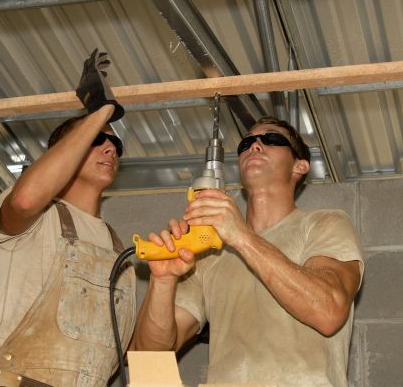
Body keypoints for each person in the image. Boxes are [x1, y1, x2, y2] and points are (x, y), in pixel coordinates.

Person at [131, 116, 364, 387]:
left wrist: (241, 236)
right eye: (246, 142)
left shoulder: (324, 224)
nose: (255, 145)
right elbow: (149, 357)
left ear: (300, 165)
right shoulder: (208, 255)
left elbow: (328, 312)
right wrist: (163, 280)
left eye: (272, 139)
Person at [0, 49, 135, 387]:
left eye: (116, 145)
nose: (110, 148)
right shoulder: (38, 217)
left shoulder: (121, 253)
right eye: (97, 138)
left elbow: (126, 352)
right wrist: (100, 112)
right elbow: (26, 199)